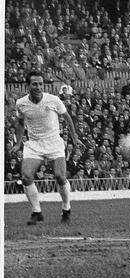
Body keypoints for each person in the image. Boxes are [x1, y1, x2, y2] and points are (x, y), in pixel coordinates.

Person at [10, 71, 84, 225]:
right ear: (27, 85)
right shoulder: (21, 103)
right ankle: (37, 212)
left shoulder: (53, 100)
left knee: (60, 176)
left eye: (40, 84)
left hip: (54, 144)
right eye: (34, 84)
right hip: (34, 145)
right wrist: (18, 144)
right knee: (25, 177)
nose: (38, 87)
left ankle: (66, 208)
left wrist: (75, 138)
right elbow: (20, 122)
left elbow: (68, 118)